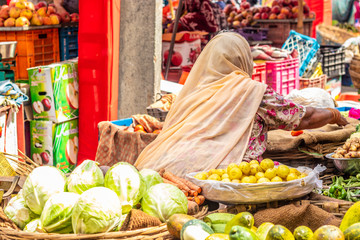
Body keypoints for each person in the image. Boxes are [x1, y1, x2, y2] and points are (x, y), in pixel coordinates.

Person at [134, 32, 348, 177]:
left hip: (161, 169)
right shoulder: (252, 92)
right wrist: (334, 115)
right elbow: (304, 117)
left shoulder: (194, 91)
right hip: (218, 177)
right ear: (244, 59)